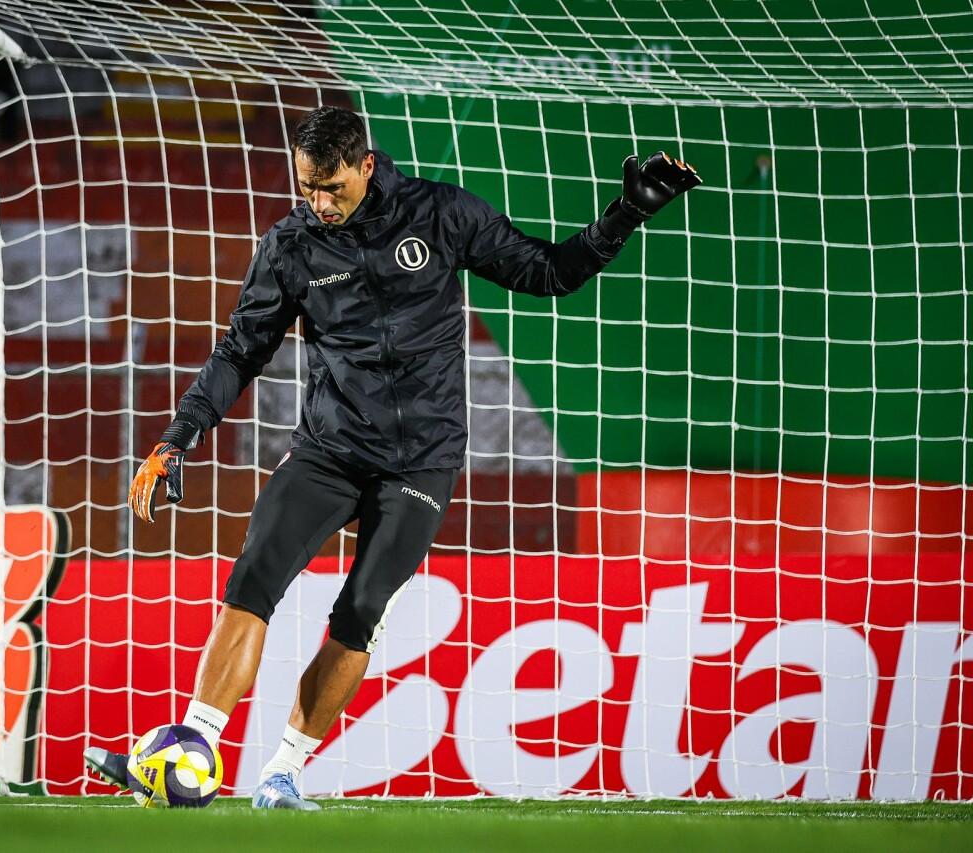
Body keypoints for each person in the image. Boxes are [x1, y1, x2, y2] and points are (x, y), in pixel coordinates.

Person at [85, 106, 700, 809]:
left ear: (366, 164)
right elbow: (238, 352)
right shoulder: (290, 246)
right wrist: (178, 435)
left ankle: (283, 770)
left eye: (332, 187)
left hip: (422, 459)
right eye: (307, 187)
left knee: (362, 608)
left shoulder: (441, 215)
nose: (320, 203)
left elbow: (549, 272)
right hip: (329, 448)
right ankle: (193, 741)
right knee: (254, 575)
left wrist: (623, 214)